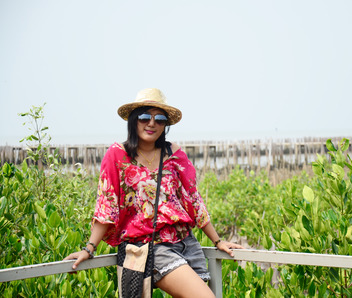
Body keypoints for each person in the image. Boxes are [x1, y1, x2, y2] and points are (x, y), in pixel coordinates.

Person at [64, 88, 244, 298]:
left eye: (159, 119)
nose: (151, 123)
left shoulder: (173, 154)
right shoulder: (118, 155)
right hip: (153, 248)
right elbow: (107, 206)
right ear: (133, 120)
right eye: (144, 117)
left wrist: (217, 241)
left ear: (165, 125)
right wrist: (89, 248)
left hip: (186, 243)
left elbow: (194, 201)